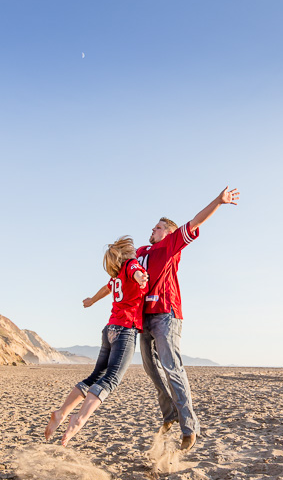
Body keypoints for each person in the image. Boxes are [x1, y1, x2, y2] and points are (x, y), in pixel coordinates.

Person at [83, 186, 240, 452]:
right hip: (143, 319)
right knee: (150, 367)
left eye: (157, 227)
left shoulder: (169, 245)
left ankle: (189, 428)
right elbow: (117, 280)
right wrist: (92, 300)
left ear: (168, 231)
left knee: (172, 367)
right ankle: (170, 414)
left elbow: (196, 221)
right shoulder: (139, 252)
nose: (152, 230)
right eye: (154, 228)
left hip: (166, 314)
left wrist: (219, 201)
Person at [45, 236, 148, 446]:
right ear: (127, 252)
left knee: (95, 375)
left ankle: (62, 412)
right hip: (125, 330)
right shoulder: (130, 265)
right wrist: (140, 277)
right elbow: (135, 270)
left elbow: (106, 288)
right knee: (111, 379)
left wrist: (92, 300)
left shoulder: (118, 273)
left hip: (109, 329)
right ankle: (79, 419)